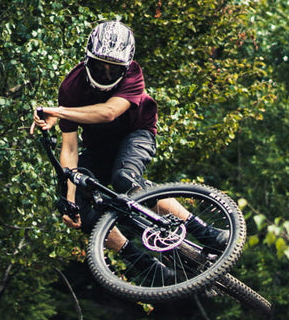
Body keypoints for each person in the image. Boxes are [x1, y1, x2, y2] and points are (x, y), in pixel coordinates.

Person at [30, 20, 227, 250]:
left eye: (113, 69)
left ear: (125, 67)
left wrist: (59, 111)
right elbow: (70, 149)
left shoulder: (133, 73)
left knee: (124, 178)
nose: (105, 74)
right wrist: (72, 198)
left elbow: (109, 112)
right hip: (99, 146)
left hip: (136, 132)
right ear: (87, 60)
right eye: (98, 67)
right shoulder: (71, 87)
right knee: (75, 205)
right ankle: (140, 264)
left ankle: (205, 233)